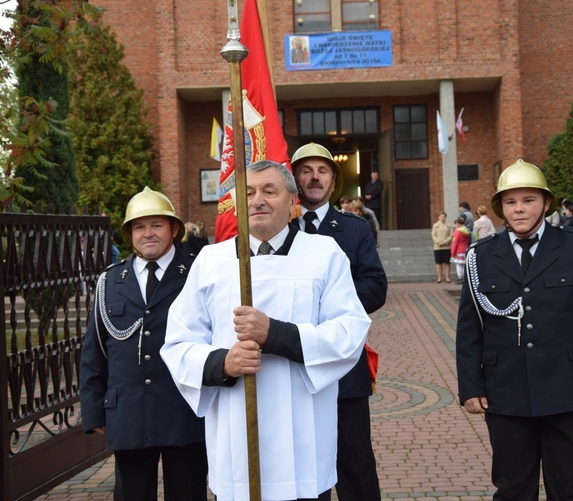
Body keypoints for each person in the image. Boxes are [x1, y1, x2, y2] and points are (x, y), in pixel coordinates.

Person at [161, 160, 371, 501]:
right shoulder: (210, 261)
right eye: (248, 193)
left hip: (304, 435)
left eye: (269, 191)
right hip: (236, 438)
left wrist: (275, 334)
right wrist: (222, 363)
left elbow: (349, 331)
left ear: (292, 202)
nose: (257, 200)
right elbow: (178, 342)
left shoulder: (324, 255)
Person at [456, 159, 573, 500]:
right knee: (513, 489)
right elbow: (470, 330)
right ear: (500, 207)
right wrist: (471, 386)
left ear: (546, 203)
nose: (519, 209)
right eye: (511, 202)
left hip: (568, 389)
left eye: (529, 200)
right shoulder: (480, 256)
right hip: (506, 393)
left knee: (570, 489)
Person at [79, 187, 208, 501]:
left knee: (188, 493)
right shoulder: (110, 281)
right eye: (139, 226)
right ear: (129, 234)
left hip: (185, 411)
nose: (147, 233)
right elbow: (94, 350)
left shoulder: (198, 272)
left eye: (156, 225)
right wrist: (94, 411)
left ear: (173, 229)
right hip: (129, 413)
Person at [291, 142, 387, 501]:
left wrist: (324, 306)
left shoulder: (354, 230)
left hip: (344, 366)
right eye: (306, 170)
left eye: (323, 170)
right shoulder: (276, 231)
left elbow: (375, 288)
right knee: (304, 469)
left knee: (355, 465)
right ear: (294, 179)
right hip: (293, 367)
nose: (314, 177)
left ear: (333, 182)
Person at [431, 210, 452, 284]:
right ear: (438, 218)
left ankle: (447, 277)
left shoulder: (449, 225)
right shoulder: (435, 225)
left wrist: (445, 242)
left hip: (446, 246)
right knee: (439, 263)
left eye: (443, 217)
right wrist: (438, 242)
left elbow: (451, 235)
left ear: (445, 217)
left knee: (447, 263)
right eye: (441, 217)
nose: (442, 218)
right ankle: (439, 277)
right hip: (438, 247)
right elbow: (433, 235)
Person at [449, 216, 469, 283]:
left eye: (456, 224)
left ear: (458, 224)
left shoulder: (458, 231)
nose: (455, 226)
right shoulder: (466, 230)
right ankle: (464, 277)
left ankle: (460, 277)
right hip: (465, 248)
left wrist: (452, 252)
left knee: (459, 265)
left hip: (459, 250)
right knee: (464, 265)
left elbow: (455, 242)